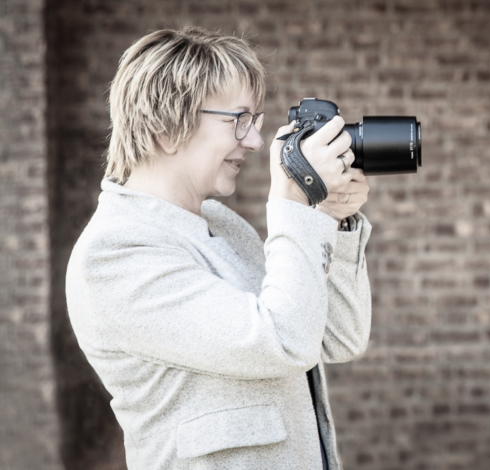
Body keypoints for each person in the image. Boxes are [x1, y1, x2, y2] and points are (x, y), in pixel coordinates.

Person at [65, 27, 371, 470]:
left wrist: (329, 218)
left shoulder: (223, 226)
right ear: (167, 126)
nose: (254, 141)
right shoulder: (113, 255)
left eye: (255, 122)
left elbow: (338, 336)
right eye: (238, 120)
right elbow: (282, 341)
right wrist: (293, 201)